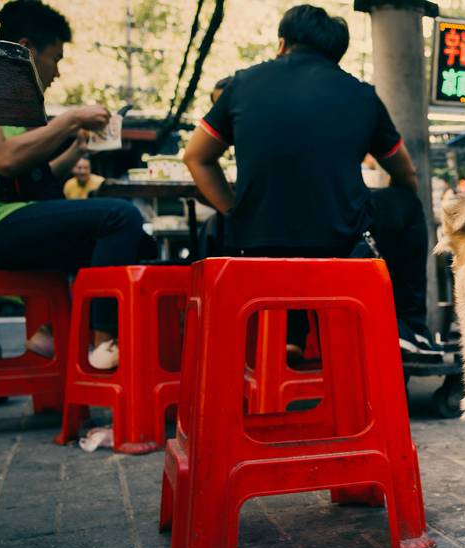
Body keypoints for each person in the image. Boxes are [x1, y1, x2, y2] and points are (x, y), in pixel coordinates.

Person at [183, 4, 436, 356]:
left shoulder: (242, 84)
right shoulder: (361, 94)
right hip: (338, 246)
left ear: (282, 43)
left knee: (275, 238)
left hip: (254, 246)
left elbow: (196, 158)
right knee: (407, 206)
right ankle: (410, 327)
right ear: (336, 54)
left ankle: (290, 340)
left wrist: (235, 212)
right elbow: (406, 174)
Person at [0, 1, 150, 370]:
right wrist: (70, 120)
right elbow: (4, 158)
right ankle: (103, 347)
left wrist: (77, 147)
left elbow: (31, 177)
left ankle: (56, 332)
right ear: (26, 49)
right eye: (56, 59)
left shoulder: (3, 98)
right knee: (119, 218)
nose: (58, 72)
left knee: (137, 240)